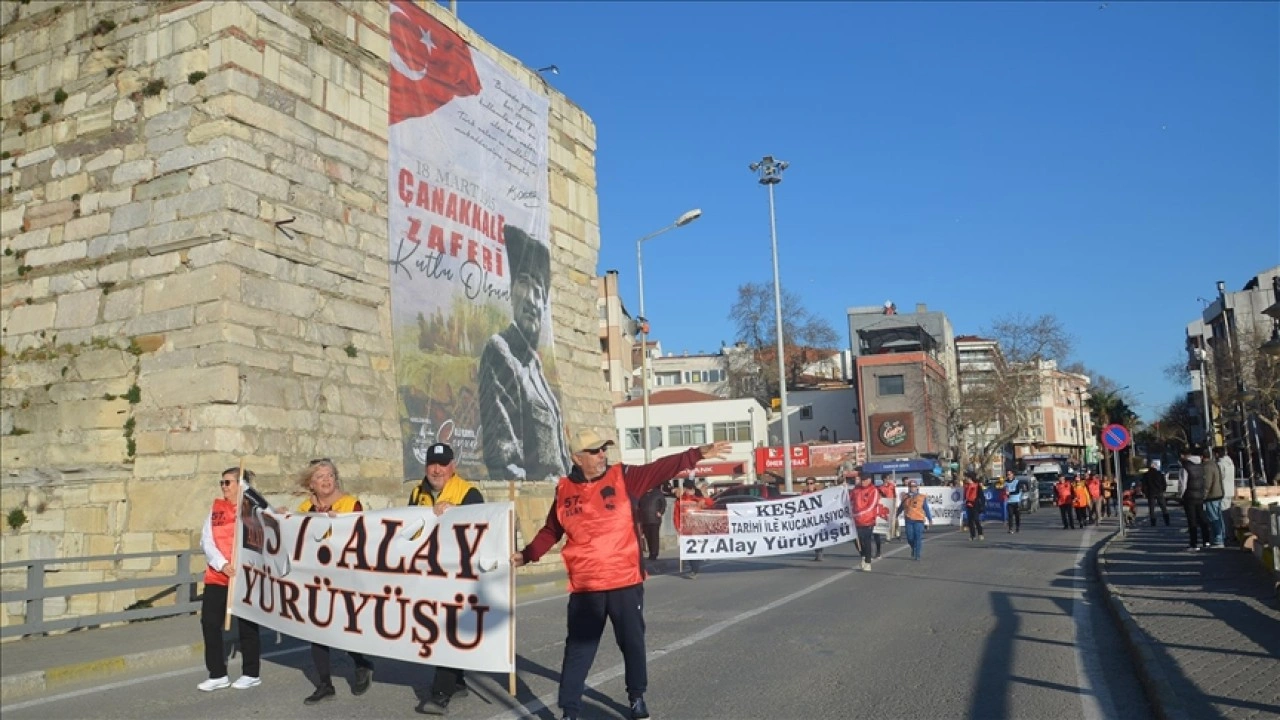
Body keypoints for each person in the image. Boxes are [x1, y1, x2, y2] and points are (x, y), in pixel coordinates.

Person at [511, 429, 732, 720]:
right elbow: (552, 530)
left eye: (604, 449)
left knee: (631, 642)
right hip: (585, 586)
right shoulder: (564, 489)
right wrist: (525, 555)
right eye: (595, 451)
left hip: (624, 581)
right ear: (577, 458)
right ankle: (570, 710)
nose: (602, 454)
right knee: (579, 650)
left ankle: (636, 697)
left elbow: (659, 469)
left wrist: (696, 454)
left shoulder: (624, 477)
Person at [478, 225, 572, 482]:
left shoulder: (536, 367)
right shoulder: (501, 351)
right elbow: (504, 462)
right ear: (511, 290)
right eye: (524, 283)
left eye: (539, 292)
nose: (532, 300)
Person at [409, 443, 484, 716]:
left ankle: (440, 694)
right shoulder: (417, 493)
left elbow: (481, 527)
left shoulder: (468, 493)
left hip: (457, 577)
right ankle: (458, 681)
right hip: (429, 575)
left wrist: (457, 513)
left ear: (453, 466)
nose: (436, 469)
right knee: (437, 630)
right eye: (432, 464)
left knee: (447, 632)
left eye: (442, 464)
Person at [297, 459, 374, 705]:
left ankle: (361, 663)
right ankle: (324, 684)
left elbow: (364, 536)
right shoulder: (305, 508)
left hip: (345, 577)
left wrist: (340, 524)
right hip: (317, 579)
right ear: (311, 483)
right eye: (320, 477)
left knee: (344, 626)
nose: (326, 480)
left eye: (330, 475)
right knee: (317, 630)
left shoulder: (350, 503)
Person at [198, 468, 262, 692]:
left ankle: (251, 673)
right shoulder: (216, 509)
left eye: (228, 482)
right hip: (218, 575)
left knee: (247, 626)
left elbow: (263, 537)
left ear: (240, 485)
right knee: (209, 623)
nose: (224, 486)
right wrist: (221, 564)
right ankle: (217, 673)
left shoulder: (252, 510)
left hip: (243, 576)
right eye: (221, 482)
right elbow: (206, 540)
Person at [1177, 445, 1218, 551]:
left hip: (1189, 496)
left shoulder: (1185, 467)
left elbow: (1183, 484)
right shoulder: (1200, 465)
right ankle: (1206, 541)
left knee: (1192, 520)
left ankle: (1194, 544)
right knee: (1202, 518)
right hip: (1199, 495)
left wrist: (1180, 496)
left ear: (1183, 455)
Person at [673, 478, 713, 577]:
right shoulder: (680, 500)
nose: (689, 491)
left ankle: (694, 570)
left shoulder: (698, 499)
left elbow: (710, 504)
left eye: (691, 489)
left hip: (698, 528)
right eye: (687, 489)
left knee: (695, 549)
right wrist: (678, 527)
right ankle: (694, 568)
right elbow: (676, 515)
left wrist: (705, 494)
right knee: (689, 549)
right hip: (686, 528)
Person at [894, 479, 933, 560]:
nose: (913, 488)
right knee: (910, 537)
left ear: (917, 487)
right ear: (908, 487)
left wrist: (930, 519)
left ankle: (917, 554)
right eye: (911, 487)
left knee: (918, 537)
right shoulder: (905, 497)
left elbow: (926, 508)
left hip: (919, 520)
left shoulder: (921, 497)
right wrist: (896, 515)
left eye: (914, 487)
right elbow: (901, 507)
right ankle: (913, 547)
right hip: (909, 520)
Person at [850, 474, 881, 571]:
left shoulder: (873, 490)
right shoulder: (856, 490)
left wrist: (859, 513)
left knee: (866, 540)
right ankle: (863, 555)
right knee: (856, 540)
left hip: (868, 520)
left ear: (869, 480)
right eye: (861, 480)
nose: (862, 482)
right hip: (856, 520)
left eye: (864, 480)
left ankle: (868, 561)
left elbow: (872, 505)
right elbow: (848, 500)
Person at [1200, 449, 1226, 549]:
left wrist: (1203, 496)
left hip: (1212, 496)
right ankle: (1221, 537)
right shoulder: (1215, 464)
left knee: (1213, 518)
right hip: (1218, 494)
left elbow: (1207, 483)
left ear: (1202, 457)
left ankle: (1218, 540)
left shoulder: (1207, 467)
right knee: (1219, 517)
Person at [638, 486, 667, 565]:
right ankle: (651, 552)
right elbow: (639, 505)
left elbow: (663, 504)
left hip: (655, 519)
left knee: (654, 537)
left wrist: (660, 512)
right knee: (648, 537)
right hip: (645, 519)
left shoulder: (657, 493)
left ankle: (654, 553)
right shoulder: (643, 493)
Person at [1214, 447, 1237, 544]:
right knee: (1228, 514)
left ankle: (1227, 535)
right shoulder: (1230, 463)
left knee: (1224, 515)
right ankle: (1230, 534)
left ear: (1217, 454)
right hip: (1230, 490)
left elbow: (1220, 477)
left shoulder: (1220, 464)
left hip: (1223, 491)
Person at [1139, 461, 1170, 527]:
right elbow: (1164, 484)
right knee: (1163, 507)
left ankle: (1153, 523)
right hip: (1159, 492)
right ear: (1155, 467)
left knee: (1152, 509)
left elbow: (1144, 485)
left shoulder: (1146, 475)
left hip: (1151, 493)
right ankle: (1167, 521)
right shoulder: (1159, 474)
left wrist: (1145, 493)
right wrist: (1162, 490)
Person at [803, 477, 825, 561]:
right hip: (808, 518)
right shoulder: (803, 494)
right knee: (812, 536)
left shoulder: (819, 493)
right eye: (808, 483)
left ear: (814, 484)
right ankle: (817, 551)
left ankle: (819, 552)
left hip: (818, 518)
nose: (809, 485)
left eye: (811, 483)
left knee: (818, 535)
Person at [874, 476, 896, 557]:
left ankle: (890, 536)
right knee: (876, 531)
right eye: (886, 478)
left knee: (891, 521)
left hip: (889, 505)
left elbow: (895, 494)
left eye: (888, 478)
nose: (887, 480)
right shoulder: (880, 488)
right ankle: (878, 550)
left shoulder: (892, 486)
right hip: (878, 510)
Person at [963, 473, 985, 541]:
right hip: (968, 504)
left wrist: (982, 505)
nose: (966, 479)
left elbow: (982, 496)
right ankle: (972, 535)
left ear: (970, 478)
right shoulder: (966, 486)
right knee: (970, 521)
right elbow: (965, 496)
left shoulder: (977, 485)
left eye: (967, 477)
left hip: (975, 504)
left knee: (976, 519)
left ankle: (980, 534)